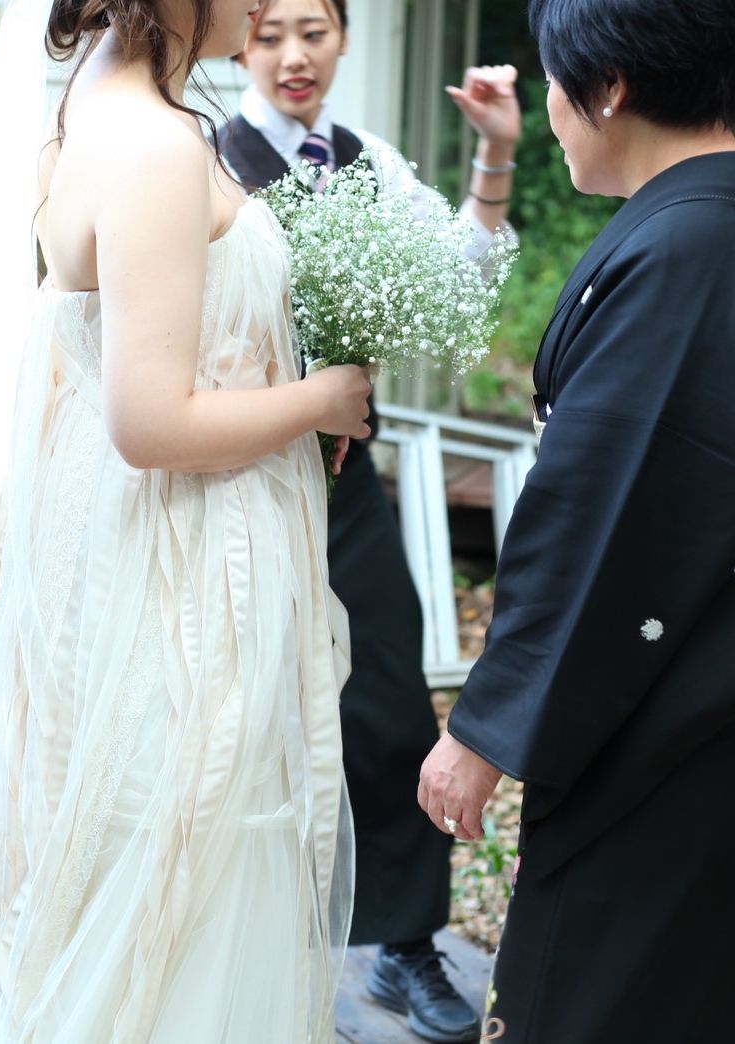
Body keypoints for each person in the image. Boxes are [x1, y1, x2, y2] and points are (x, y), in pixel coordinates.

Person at [0, 0, 373, 1039]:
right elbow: (150, 421)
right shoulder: (154, 147)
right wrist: (321, 399)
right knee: (165, 888)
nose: (264, 6)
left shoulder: (97, 94)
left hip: (133, 556)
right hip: (171, 586)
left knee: (119, 878)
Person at [417, 0, 735, 1040]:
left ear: (610, 88)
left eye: (555, 80)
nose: (550, 106)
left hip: (676, 713)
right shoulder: (699, 224)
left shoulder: (689, 246)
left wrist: (484, 726)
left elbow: (602, 512)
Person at [216, 2, 519, 1040]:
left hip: (346, 492)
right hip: (232, 482)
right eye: (268, 34)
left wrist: (493, 153)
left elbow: (457, 271)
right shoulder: (207, 155)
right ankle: (235, 949)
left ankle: (405, 945)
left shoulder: (367, 160)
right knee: (238, 715)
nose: (292, 55)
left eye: (313, 30)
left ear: (342, 37)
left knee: (388, 701)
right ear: (239, 43)